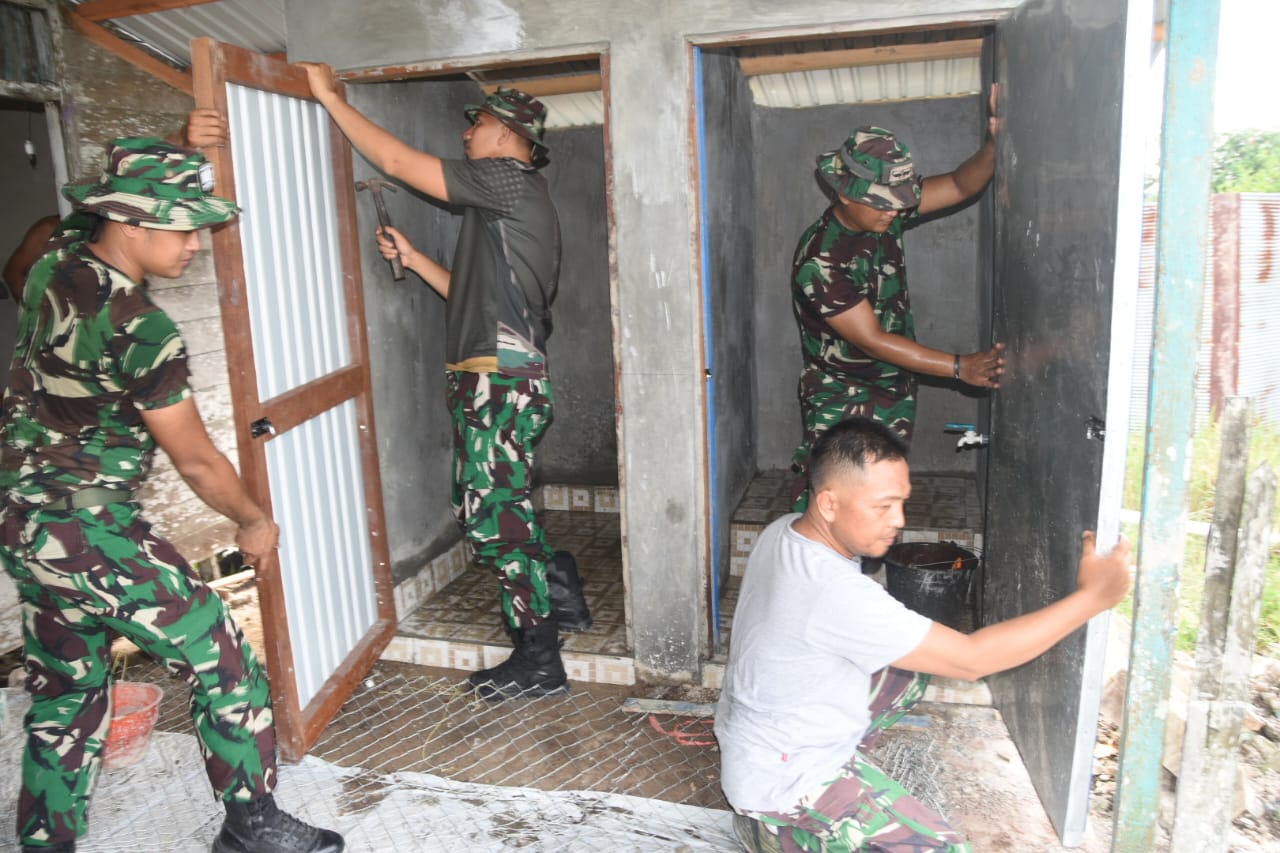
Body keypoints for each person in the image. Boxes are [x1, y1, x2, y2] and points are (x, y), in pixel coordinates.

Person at [0, 138, 344, 853]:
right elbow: (196, 461)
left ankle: (44, 839)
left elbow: (25, 254)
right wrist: (253, 519)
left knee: (68, 689)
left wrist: (179, 154)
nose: (195, 242)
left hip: (24, 523)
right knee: (225, 657)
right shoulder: (139, 326)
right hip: (91, 530)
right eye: (182, 226)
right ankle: (251, 826)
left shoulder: (54, 265)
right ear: (129, 222)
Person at [299, 61, 589, 702]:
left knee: (492, 518)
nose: (466, 134)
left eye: (477, 124)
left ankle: (540, 660)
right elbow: (469, 296)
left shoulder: (507, 179)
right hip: (495, 378)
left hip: (498, 382)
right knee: (490, 507)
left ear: (508, 135)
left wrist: (328, 98)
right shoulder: (504, 206)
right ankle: (560, 593)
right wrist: (414, 257)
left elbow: (397, 162)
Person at [715, 417, 1131, 852]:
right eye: (883, 507)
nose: (898, 520)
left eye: (901, 503)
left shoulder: (785, 528)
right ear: (829, 504)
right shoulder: (834, 591)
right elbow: (972, 660)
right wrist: (1092, 598)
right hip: (781, 775)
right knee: (945, 848)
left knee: (910, 669)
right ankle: (776, 831)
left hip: (757, 730)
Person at [789, 94, 1008, 511]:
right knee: (831, 506)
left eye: (898, 200)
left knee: (876, 503)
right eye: (884, 203)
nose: (894, 211)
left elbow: (960, 184)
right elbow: (870, 339)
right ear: (845, 194)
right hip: (841, 397)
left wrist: (995, 143)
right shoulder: (821, 261)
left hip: (893, 385)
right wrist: (959, 368)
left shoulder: (882, 214)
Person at [3, 109, 229, 306]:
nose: (195, 244)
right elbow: (13, 274)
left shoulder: (127, 290)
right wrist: (42, 315)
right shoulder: (63, 229)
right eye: (183, 228)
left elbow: (144, 180)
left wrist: (183, 139)